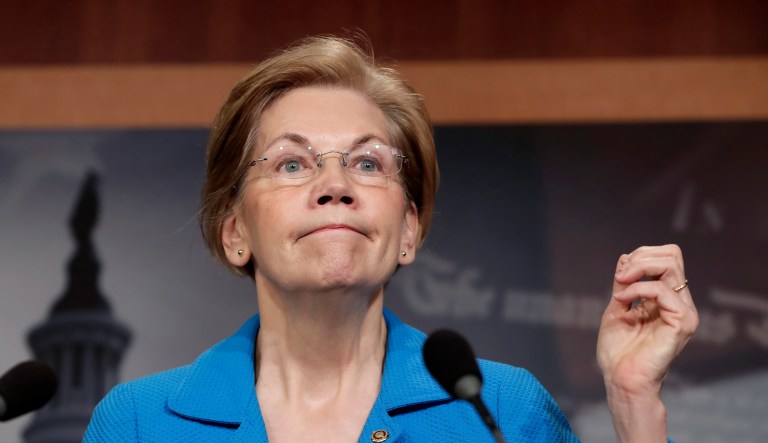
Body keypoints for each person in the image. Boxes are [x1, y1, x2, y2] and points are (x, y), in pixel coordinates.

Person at [84, 36, 698, 442]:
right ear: (234, 229)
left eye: (369, 163)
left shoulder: (507, 411)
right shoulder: (138, 423)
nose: (335, 185)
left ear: (409, 228)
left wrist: (632, 400)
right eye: (292, 164)